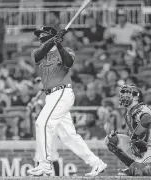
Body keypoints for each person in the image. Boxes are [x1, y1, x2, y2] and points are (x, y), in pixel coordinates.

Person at [27, 26, 107, 176]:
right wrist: (53, 40)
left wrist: (59, 44)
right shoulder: (39, 53)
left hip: (62, 92)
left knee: (42, 123)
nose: (39, 38)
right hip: (51, 97)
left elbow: (69, 63)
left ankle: (44, 164)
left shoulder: (65, 50)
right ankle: (96, 163)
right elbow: (38, 56)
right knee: (69, 136)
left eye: (42, 35)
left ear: (49, 34)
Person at [105, 85, 151, 175]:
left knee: (139, 168)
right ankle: (133, 166)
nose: (124, 96)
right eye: (123, 94)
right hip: (142, 148)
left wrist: (135, 137)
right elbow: (134, 133)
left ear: (136, 97)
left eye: (128, 94)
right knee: (111, 140)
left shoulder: (141, 108)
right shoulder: (128, 113)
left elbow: (146, 120)